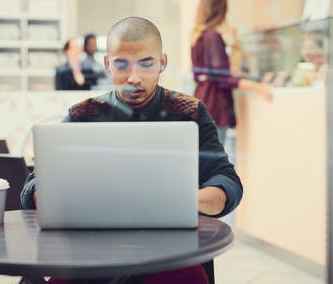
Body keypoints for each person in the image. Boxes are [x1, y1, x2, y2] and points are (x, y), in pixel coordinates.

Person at [22, 17, 242, 284]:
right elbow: (33, 185)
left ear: (162, 62)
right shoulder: (83, 114)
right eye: (121, 65)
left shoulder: (190, 112)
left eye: (146, 64)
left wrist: (186, 202)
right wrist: (49, 197)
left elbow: (227, 181)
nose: (133, 78)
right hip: (93, 251)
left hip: (170, 252)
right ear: (107, 64)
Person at [191, 0, 273, 145]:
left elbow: (202, 75)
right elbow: (223, 78)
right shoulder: (212, 36)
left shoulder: (198, 36)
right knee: (214, 160)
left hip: (202, 101)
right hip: (214, 105)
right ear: (221, 9)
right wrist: (257, 87)